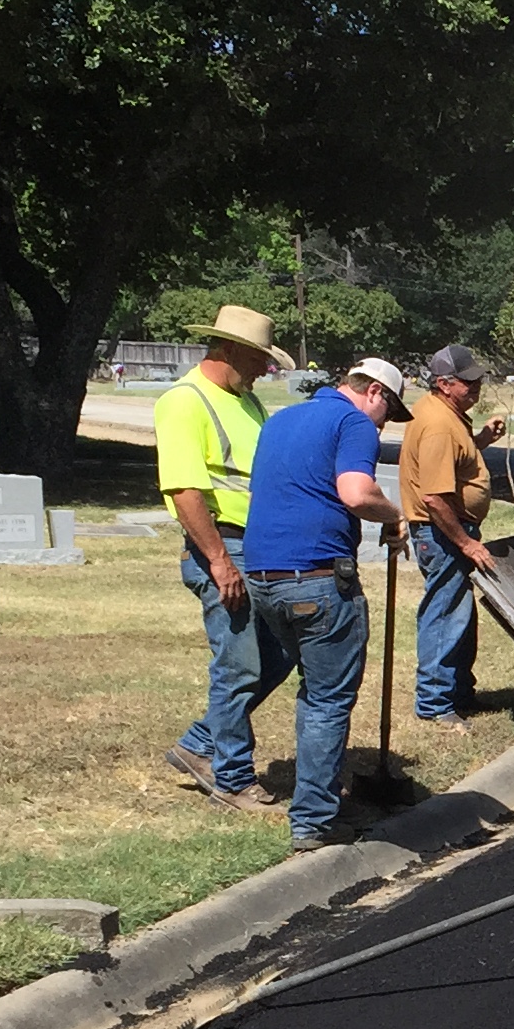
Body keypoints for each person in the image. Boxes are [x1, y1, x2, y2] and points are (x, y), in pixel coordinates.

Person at [239, 356, 409, 850]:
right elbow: (356, 493)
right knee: (328, 699)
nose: (384, 423)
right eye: (390, 411)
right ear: (375, 393)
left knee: (313, 690)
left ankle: (322, 790)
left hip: (263, 576)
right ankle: (314, 819)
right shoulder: (353, 422)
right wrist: (394, 515)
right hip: (317, 578)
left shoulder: (281, 419)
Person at [156, 304, 286, 812]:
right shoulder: (185, 402)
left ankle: (197, 744)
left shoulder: (247, 401)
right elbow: (185, 489)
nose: (264, 370)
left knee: (275, 656)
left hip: (256, 547)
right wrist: (217, 560)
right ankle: (232, 779)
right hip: (222, 546)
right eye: (258, 359)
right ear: (228, 351)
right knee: (238, 665)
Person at [396, 342, 507, 733]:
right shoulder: (439, 425)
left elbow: (454, 462)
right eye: (468, 382)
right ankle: (435, 703)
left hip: (447, 530)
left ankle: (459, 692)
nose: (475, 387)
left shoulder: (447, 414)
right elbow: (434, 496)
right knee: (445, 614)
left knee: (459, 612)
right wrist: (465, 542)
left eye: (478, 380)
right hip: (441, 532)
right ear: (444, 384)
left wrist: (480, 441)